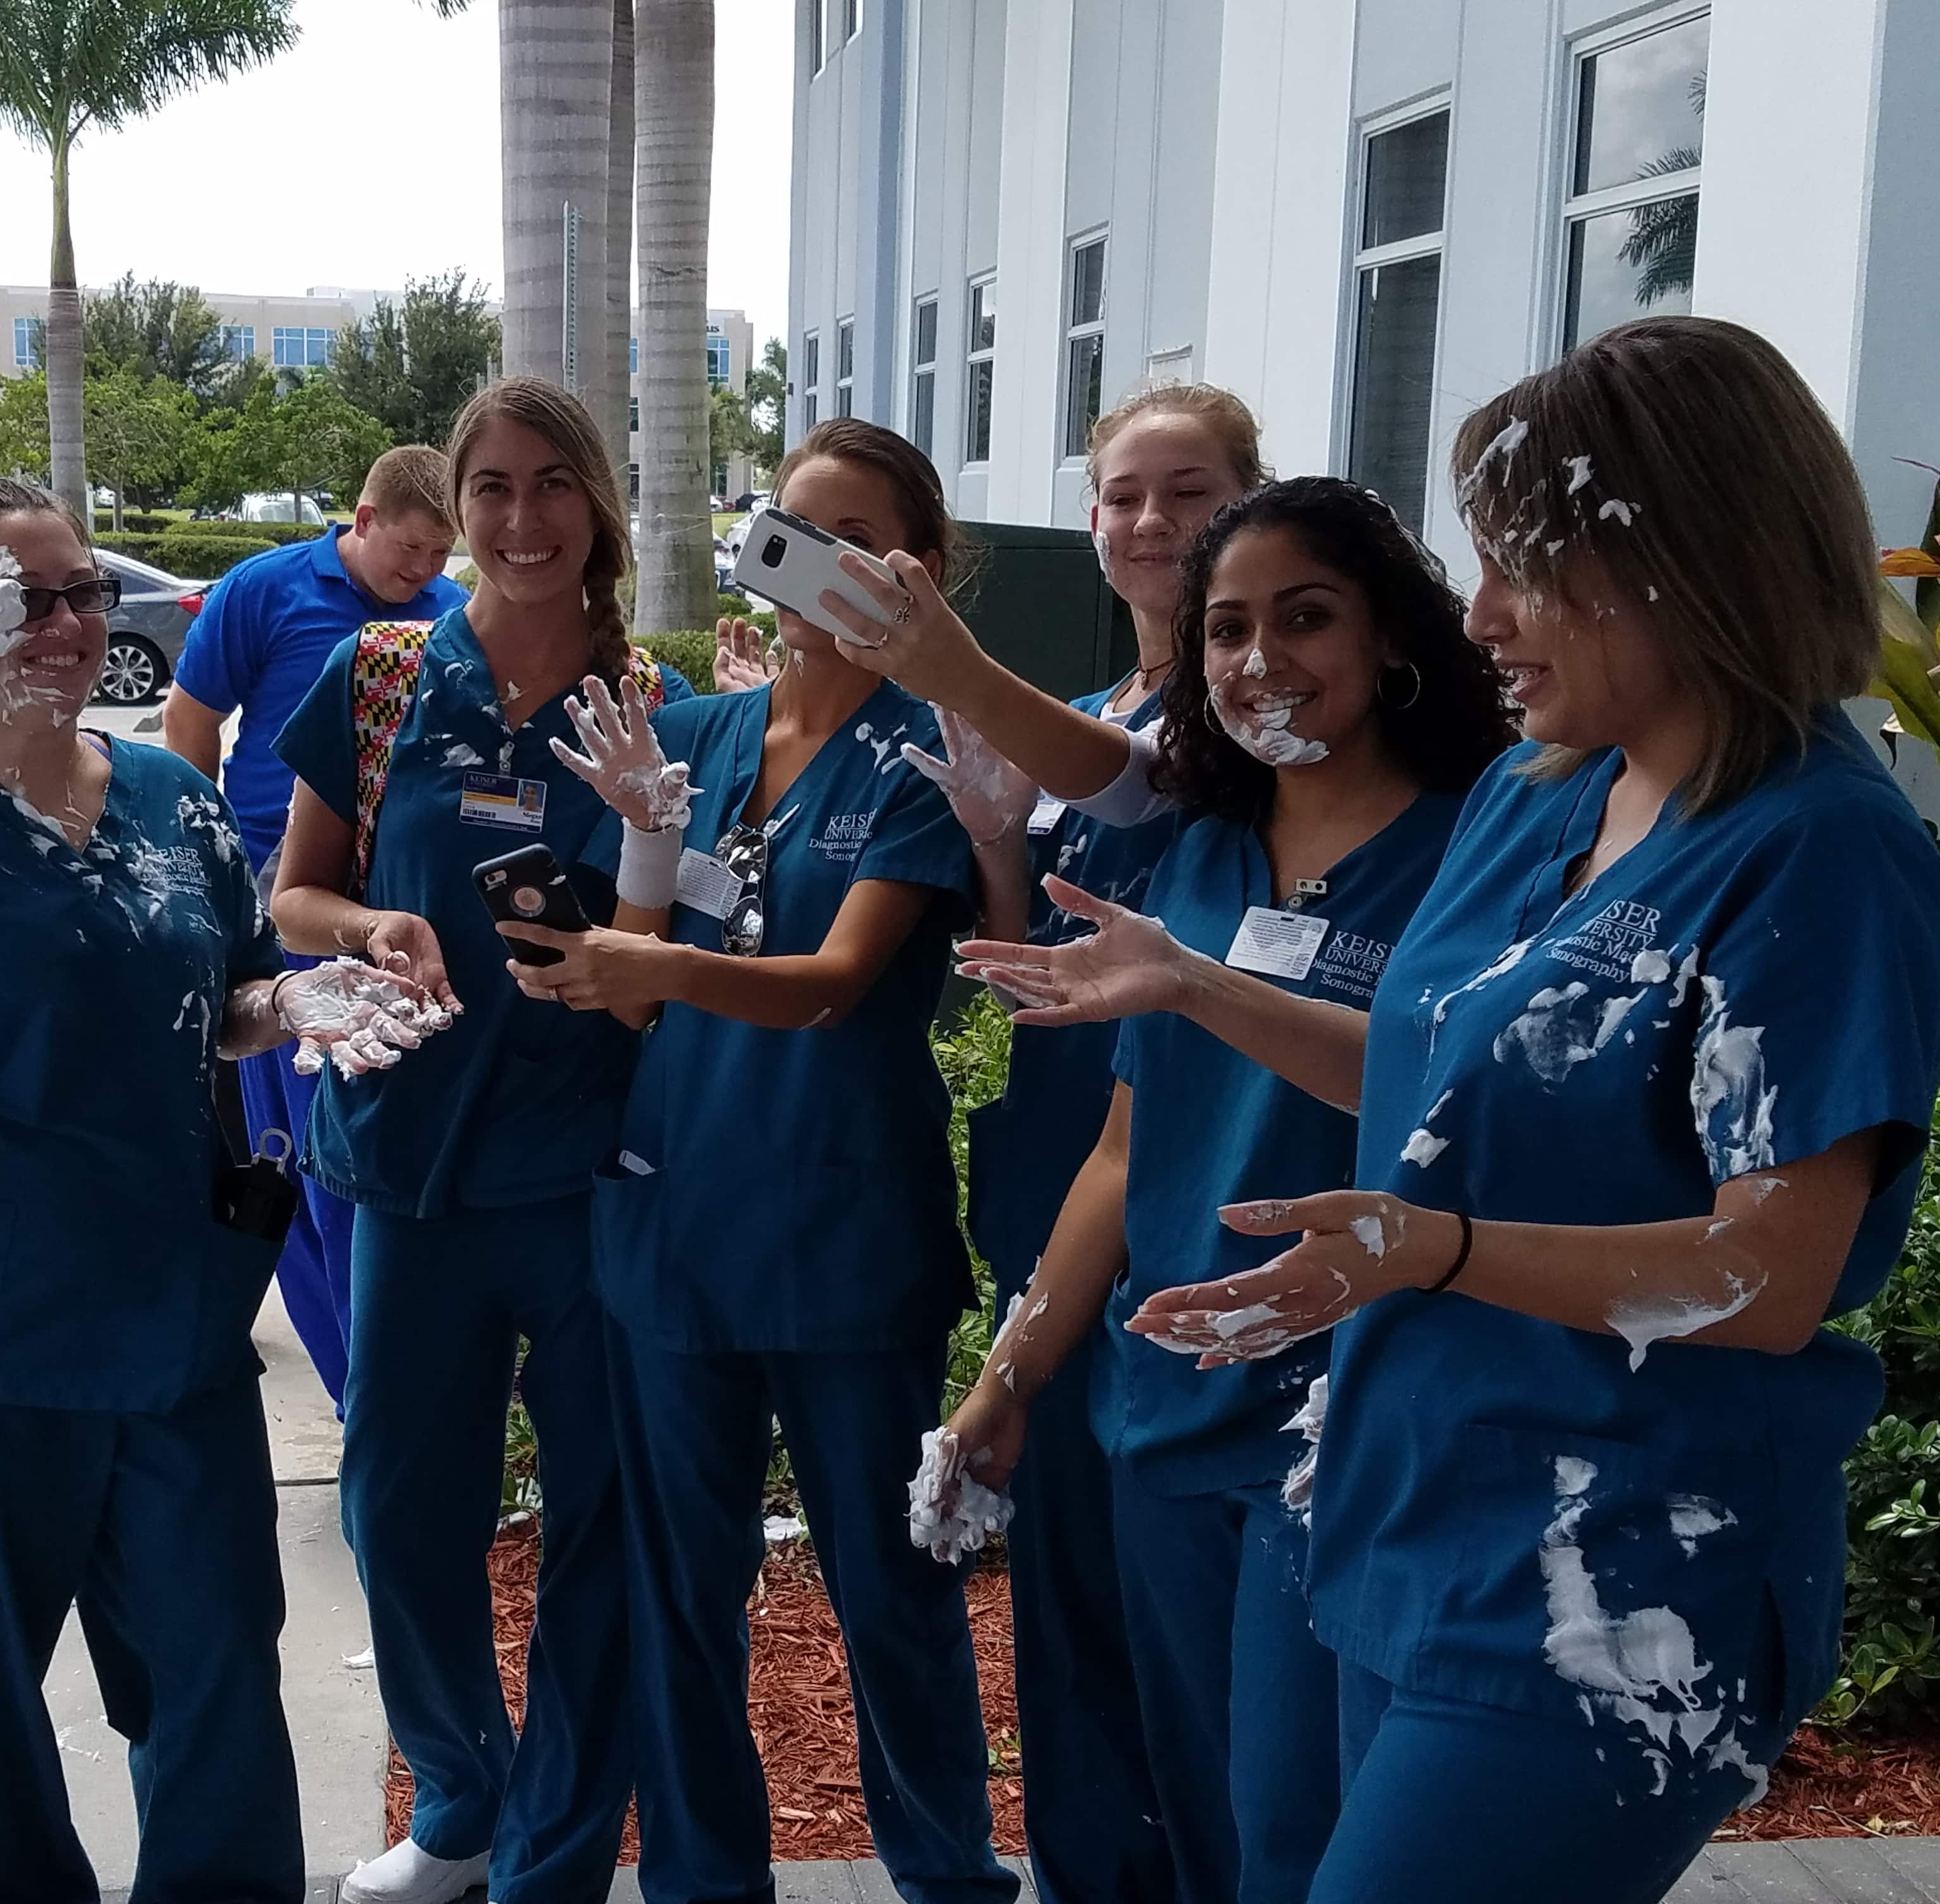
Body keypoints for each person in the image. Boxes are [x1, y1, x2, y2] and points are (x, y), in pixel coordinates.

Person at [999, 319, 1940, 1904]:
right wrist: (1197, 989)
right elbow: (1440, 1091)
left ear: (1686, 557)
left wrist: (1421, 1250)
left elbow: (1765, 1275)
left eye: (1525, 565)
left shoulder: (1817, 852)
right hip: (1389, 1502)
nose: (1483, 613)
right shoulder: (1541, 790)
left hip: (1609, 1569)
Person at [0, 476, 441, 1904]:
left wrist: (294, 1003)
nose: (72, 624)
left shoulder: (177, 803)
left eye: (85, 594)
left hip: (172, 1326)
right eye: (32, 598)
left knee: (215, 1671)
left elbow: (228, 992)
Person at [941, 477, 1518, 1904]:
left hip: (1341, 1425)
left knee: (1296, 1839)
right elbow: (1128, 1151)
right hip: (1165, 1410)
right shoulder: (1199, 851)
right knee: (1198, 1811)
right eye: (1229, 630)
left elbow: (1453, 1107)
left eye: (1306, 618)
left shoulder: (1480, 850)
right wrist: (1012, 1376)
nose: (1262, 659)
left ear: (1390, 638)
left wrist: (1199, 985)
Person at [504, 418, 1011, 1904]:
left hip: (842, 1233)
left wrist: (630, 953)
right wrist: (633, 888)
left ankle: (946, 1875)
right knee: (682, 1596)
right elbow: (652, 973)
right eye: (792, 529)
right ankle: (704, 1882)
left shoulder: (923, 755)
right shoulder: (708, 740)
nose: (812, 569)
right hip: (673, 1223)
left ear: (914, 570)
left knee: (888, 1585)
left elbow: (840, 978)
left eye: (855, 542)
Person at [269, 378, 694, 1904]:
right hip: (410, 1162)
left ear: (599, 505)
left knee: (598, 1524)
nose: (523, 521)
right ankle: (460, 1795)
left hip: (586, 1176)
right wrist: (368, 919)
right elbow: (292, 894)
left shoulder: (663, 705)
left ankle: (558, 1845)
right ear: (456, 507)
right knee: (400, 1504)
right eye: (492, 489)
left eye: (552, 485)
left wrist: (644, 858)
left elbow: (673, 954)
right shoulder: (385, 679)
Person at [924, 382, 1262, 1904]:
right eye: (1121, 496)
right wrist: (1001, 837)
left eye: (1186, 494)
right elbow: (1032, 963)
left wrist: (954, 671)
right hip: (1069, 1191)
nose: (1146, 524)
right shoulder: (1103, 712)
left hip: (1204, 1209)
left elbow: (1155, 783)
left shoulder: (1254, 732)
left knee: (1197, 1664)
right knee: (1068, 1623)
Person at [163, 446, 468, 1409]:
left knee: (378, 1149)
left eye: (438, 554)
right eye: (409, 549)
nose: (421, 572)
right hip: (277, 886)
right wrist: (205, 859)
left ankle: (395, 1375)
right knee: (295, 1148)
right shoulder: (265, 589)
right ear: (363, 519)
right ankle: (353, 1387)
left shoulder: (452, 616)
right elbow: (190, 720)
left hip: (395, 895)